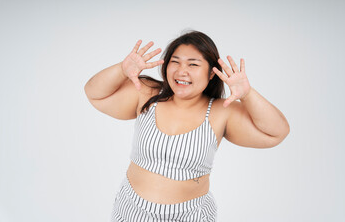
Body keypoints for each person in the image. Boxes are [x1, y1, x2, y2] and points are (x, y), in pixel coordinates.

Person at [84, 30, 290, 221]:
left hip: (190, 215)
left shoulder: (222, 111)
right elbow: (95, 93)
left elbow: (277, 133)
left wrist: (248, 94)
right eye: (176, 62)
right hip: (131, 211)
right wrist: (122, 69)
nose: (182, 71)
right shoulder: (147, 93)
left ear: (211, 73)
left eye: (193, 64)